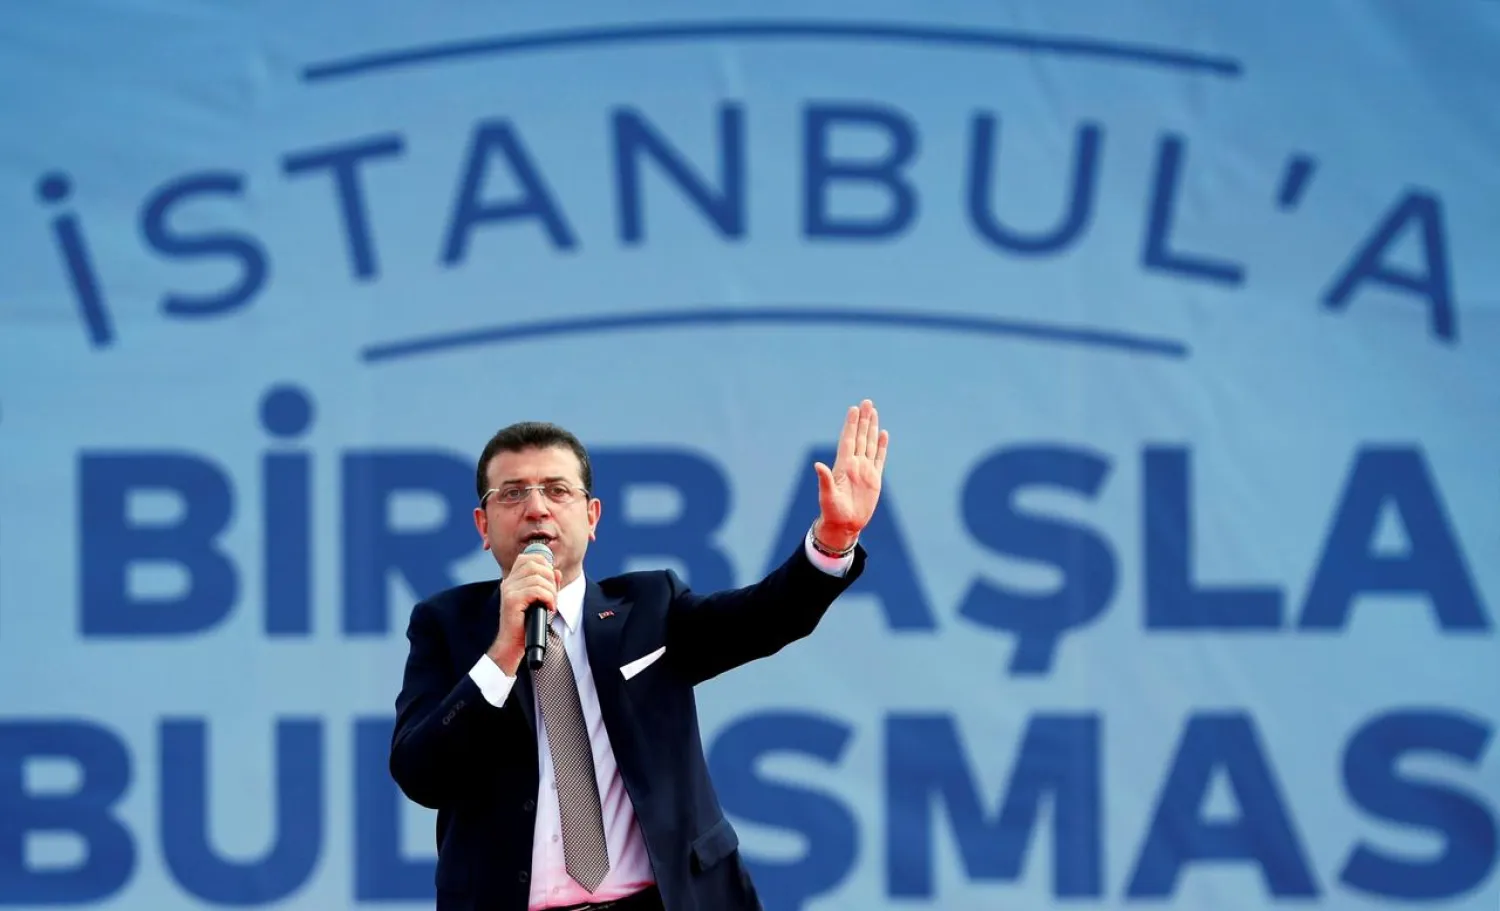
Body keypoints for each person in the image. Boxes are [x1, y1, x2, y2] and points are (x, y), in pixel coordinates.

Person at [388, 400, 890, 911]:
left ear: (592, 516)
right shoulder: (445, 625)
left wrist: (833, 540)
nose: (536, 508)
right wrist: (503, 653)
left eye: (557, 490)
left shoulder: (649, 606)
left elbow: (764, 618)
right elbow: (419, 773)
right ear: (482, 524)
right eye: (512, 493)